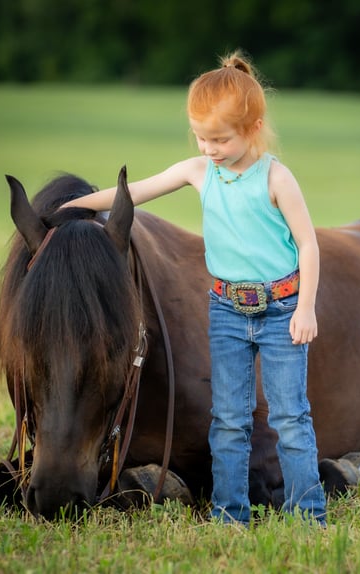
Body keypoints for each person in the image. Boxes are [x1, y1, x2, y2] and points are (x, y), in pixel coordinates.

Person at [61, 51, 326, 527]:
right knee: (228, 421)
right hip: (227, 308)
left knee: (289, 419)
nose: (209, 148)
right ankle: (229, 513)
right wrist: (69, 207)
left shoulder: (277, 178)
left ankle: (308, 513)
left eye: (220, 139)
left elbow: (308, 244)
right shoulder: (199, 172)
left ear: (255, 126)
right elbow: (134, 192)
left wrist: (304, 308)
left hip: (281, 306)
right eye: (201, 137)